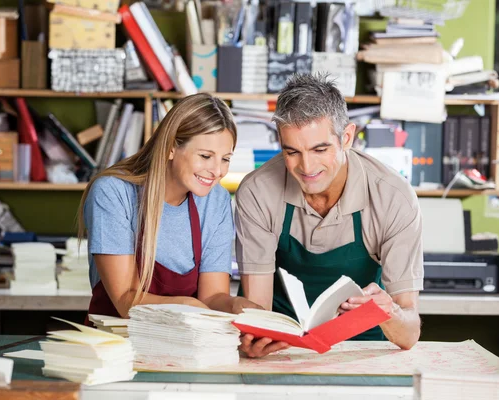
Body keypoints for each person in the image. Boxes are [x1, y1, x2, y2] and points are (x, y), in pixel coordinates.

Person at [235, 73, 423, 358]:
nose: (306, 167)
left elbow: (409, 333)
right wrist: (254, 336)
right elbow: (258, 305)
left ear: (346, 137)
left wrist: (391, 313)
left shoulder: (393, 197)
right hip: (281, 349)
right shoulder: (258, 191)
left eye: (320, 149)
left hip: (362, 349)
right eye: (292, 152)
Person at [78, 93, 261, 324]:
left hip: (183, 348)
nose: (217, 171)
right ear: (171, 148)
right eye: (205, 156)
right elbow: (126, 301)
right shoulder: (113, 193)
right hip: (116, 348)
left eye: (225, 159)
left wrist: (235, 305)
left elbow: (212, 296)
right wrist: (187, 305)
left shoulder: (216, 201)